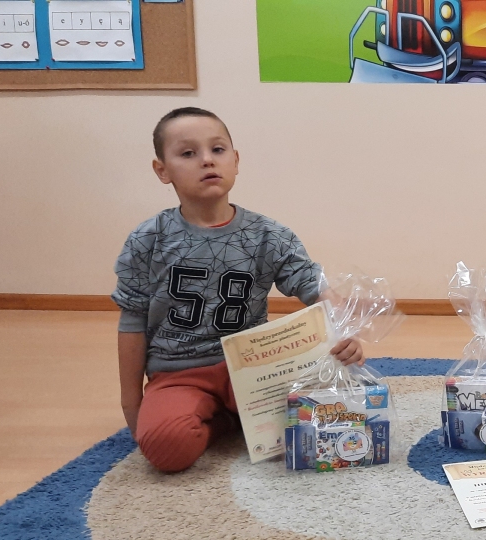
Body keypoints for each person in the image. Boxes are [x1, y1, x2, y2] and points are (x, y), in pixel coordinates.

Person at [111, 107, 364, 473]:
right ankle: (227, 422)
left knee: (321, 423)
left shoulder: (269, 234)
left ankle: (237, 417)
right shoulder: (147, 239)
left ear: (236, 160)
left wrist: (348, 330)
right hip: (178, 372)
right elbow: (132, 320)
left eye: (217, 149)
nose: (206, 160)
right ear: (162, 170)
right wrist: (131, 404)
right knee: (167, 447)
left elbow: (314, 285)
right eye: (188, 153)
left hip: (255, 366)